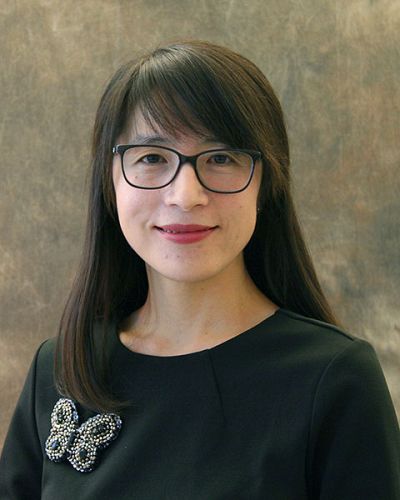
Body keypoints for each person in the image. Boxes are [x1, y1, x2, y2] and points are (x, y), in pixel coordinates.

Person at [0, 40, 399, 500]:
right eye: (152, 157)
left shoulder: (335, 378)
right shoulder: (61, 369)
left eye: (221, 158)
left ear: (267, 182)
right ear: (110, 181)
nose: (186, 196)